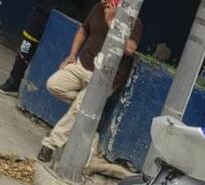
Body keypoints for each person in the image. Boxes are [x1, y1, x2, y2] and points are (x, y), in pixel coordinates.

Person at [38, 0, 143, 163]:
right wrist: (73, 55)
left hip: (106, 77)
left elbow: (129, 49)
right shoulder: (98, 8)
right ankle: (88, 114)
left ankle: (50, 145)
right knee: (54, 85)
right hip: (82, 65)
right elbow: (83, 30)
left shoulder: (133, 21)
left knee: (78, 108)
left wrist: (111, 22)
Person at [0, 0, 62, 96]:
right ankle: (13, 82)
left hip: (61, 19)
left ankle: (39, 93)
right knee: (25, 49)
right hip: (40, 16)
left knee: (52, 57)